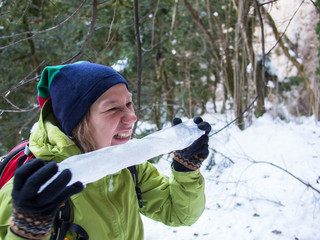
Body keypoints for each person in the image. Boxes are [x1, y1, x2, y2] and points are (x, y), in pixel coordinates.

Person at [0, 61, 211, 240]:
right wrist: (26, 230)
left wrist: (186, 168)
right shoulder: (33, 190)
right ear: (78, 122)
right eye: (112, 108)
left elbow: (178, 213)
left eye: (129, 103)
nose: (132, 117)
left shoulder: (129, 166)